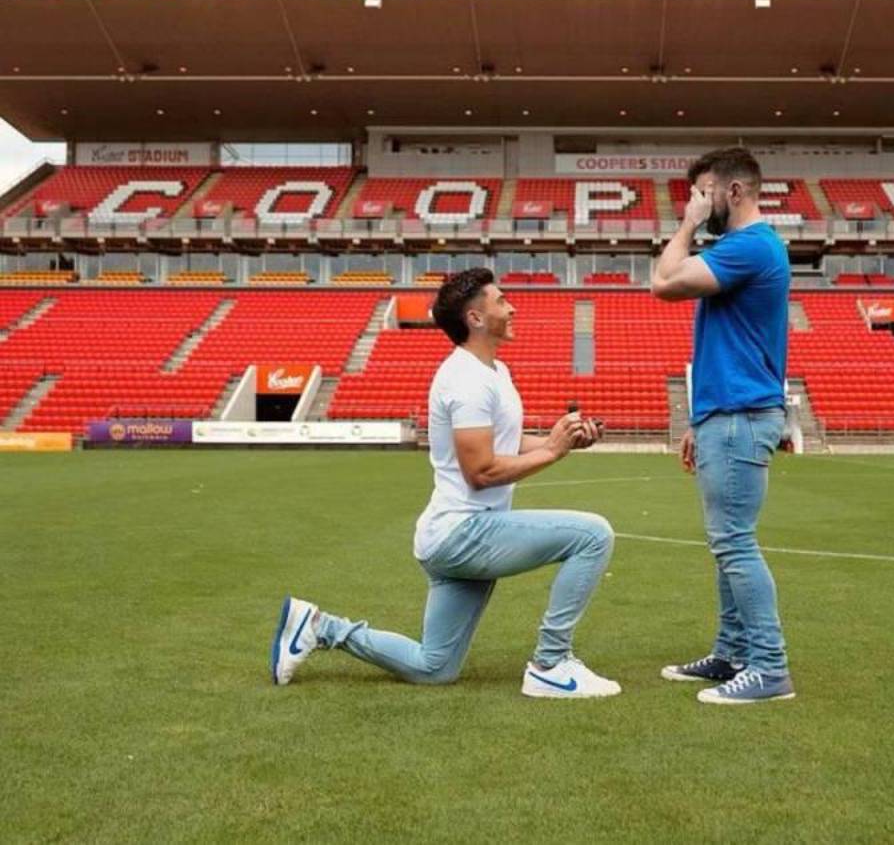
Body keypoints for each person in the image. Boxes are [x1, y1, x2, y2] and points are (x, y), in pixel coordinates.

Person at [271, 268, 620, 698]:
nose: (512, 307)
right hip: (464, 532)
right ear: (475, 318)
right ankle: (551, 664)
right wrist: (551, 452)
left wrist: (561, 440)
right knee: (593, 535)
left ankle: (319, 627)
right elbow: (482, 471)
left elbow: (505, 444)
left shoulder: (494, 372)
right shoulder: (466, 380)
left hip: (453, 536)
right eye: (501, 300)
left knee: (433, 667)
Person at [650, 146, 794, 705]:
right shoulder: (746, 247)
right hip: (726, 413)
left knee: (734, 542)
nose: (695, 202)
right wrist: (699, 419)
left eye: (702, 192)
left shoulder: (750, 246)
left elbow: (663, 282)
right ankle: (733, 652)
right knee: (727, 541)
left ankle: (769, 668)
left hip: (740, 414)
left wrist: (687, 225)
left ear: (733, 191)